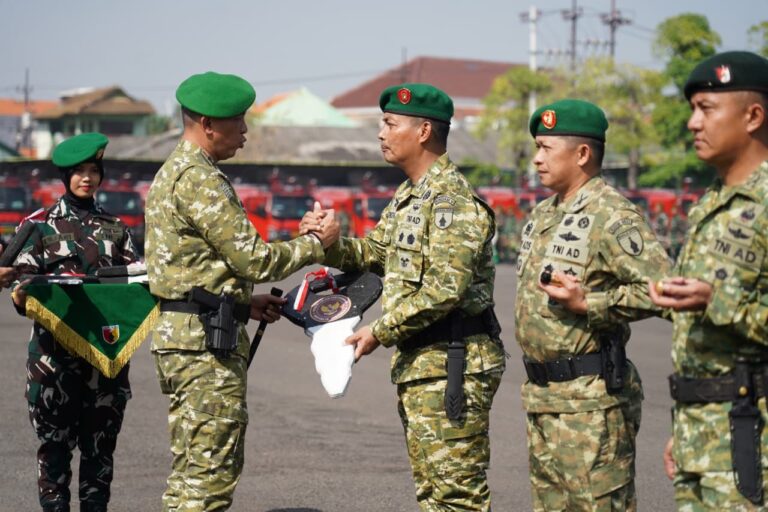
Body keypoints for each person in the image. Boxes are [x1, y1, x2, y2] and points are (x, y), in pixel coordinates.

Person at [143, 71, 339, 512]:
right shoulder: (198, 178)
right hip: (202, 347)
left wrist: (242, 304)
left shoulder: (178, 171)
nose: (246, 131)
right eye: (238, 121)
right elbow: (254, 260)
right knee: (208, 481)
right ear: (209, 123)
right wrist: (314, 244)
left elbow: (193, 269)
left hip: (193, 333)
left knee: (193, 471)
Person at [306, 83, 506, 511]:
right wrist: (333, 241)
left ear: (423, 132)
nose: (380, 133)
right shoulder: (408, 198)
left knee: (457, 496)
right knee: (434, 494)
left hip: (454, 363)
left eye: (390, 124)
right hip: (421, 365)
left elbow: (444, 290)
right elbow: (376, 254)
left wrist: (379, 330)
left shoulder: (453, 201)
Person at [516, 99, 670, 511]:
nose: (536, 159)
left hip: (591, 403)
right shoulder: (544, 214)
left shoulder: (612, 215)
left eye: (547, 148)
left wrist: (592, 303)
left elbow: (665, 290)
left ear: (582, 154)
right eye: (537, 147)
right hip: (544, 398)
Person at [649, 51, 768, 510]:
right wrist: (685, 429)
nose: (692, 123)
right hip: (701, 434)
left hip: (751, 438)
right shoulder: (711, 202)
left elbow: (720, 307)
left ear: (753, 116)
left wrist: (720, 303)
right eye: (692, 109)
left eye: (707, 108)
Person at [10, 132, 139, 512]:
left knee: (100, 451)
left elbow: (135, 284)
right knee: (54, 448)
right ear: (65, 177)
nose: (87, 178)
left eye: (94, 171)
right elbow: (20, 287)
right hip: (54, 359)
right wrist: (25, 291)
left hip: (106, 356)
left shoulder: (116, 228)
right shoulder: (38, 226)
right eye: (79, 171)